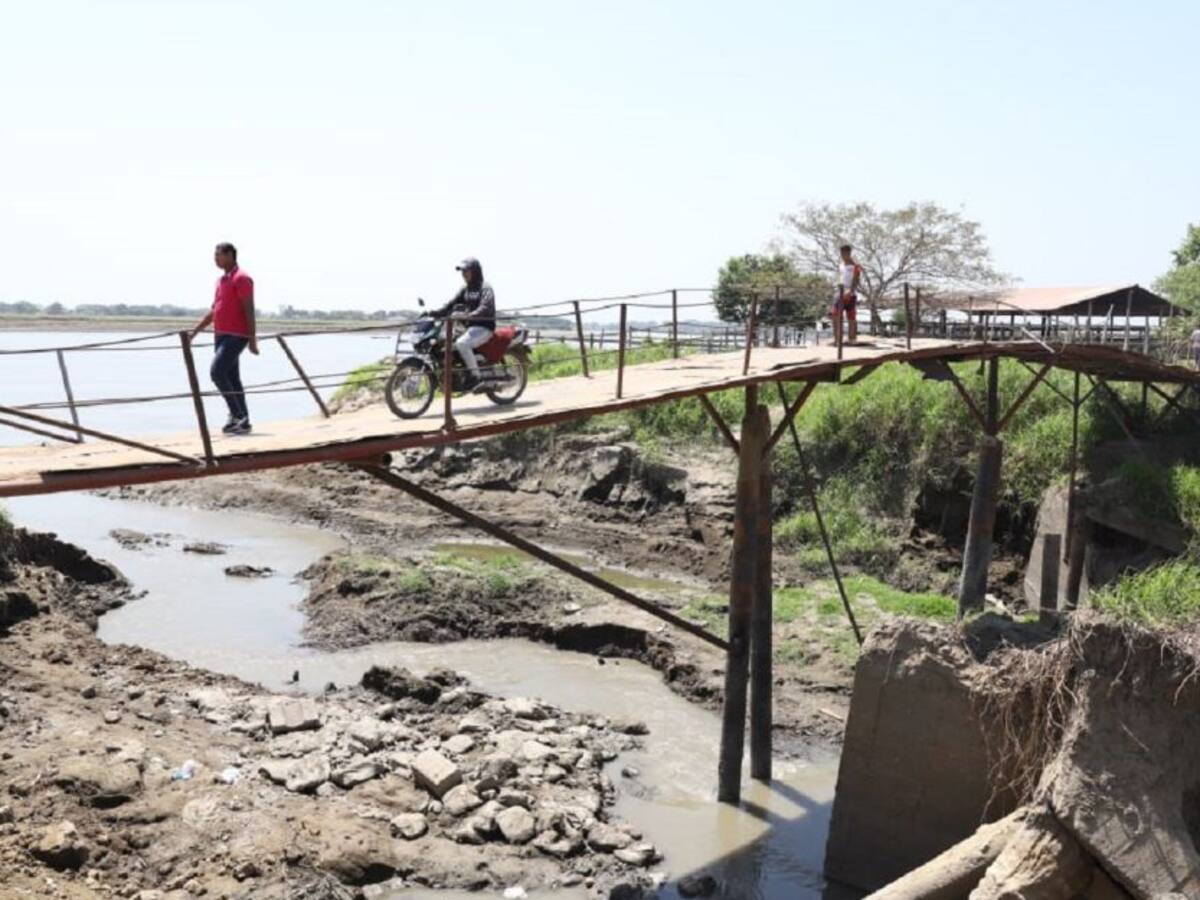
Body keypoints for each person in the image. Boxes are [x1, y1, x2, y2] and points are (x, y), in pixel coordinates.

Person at [190, 242, 258, 435]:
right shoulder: (221, 281)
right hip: (221, 335)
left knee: (217, 372)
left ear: (230, 255)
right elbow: (214, 310)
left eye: (218, 255)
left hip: (237, 335)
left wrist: (252, 340)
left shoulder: (242, 278)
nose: (215, 259)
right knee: (232, 378)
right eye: (215, 255)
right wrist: (194, 332)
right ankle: (242, 419)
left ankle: (238, 415)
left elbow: (249, 310)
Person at [434, 257, 496, 388]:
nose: (463, 274)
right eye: (462, 272)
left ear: (475, 271)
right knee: (445, 342)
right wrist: (433, 313)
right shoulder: (465, 289)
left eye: (466, 271)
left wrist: (468, 315)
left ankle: (476, 378)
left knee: (462, 344)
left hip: (484, 327)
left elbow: (485, 307)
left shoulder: (485, 287)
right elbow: (450, 305)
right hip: (470, 327)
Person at [833, 243, 862, 345]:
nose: (843, 254)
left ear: (849, 253)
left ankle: (852, 339)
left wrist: (851, 291)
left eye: (845, 252)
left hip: (850, 293)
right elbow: (840, 277)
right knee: (836, 315)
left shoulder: (855, 265)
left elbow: (856, 279)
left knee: (851, 316)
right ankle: (837, 340)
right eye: (841, 252)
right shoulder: (840, 265)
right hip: (840, 292)